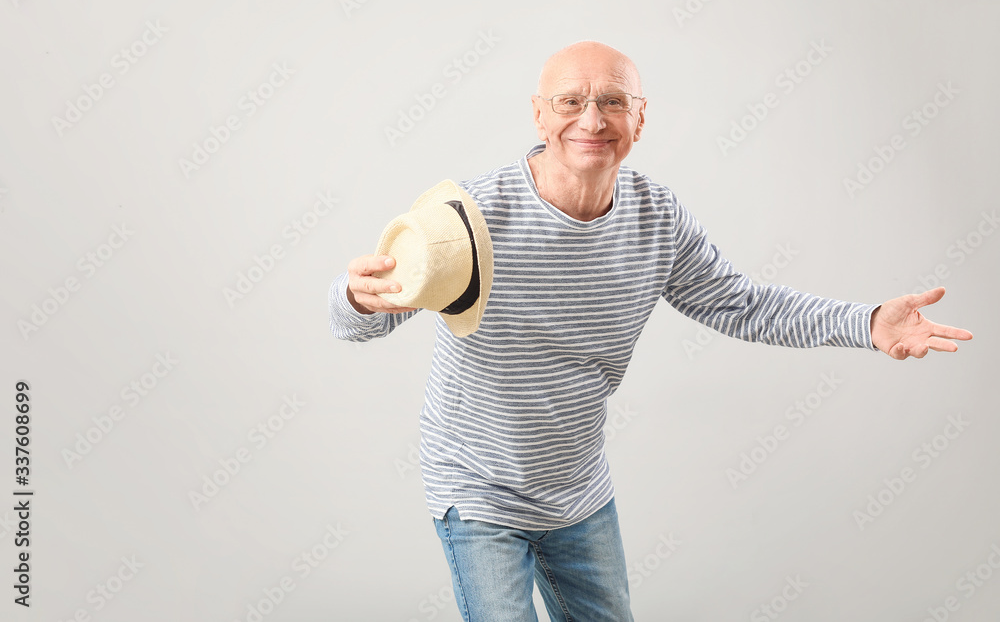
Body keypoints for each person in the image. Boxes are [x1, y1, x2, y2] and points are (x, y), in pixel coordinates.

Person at [328, 41, 973, 621]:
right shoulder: (472, 216)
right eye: (570, 101)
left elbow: (743, 304)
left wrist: (865, 323)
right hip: (478, 487)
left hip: (578, 488)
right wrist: (356, 298)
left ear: (640, 117)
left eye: (613, 101)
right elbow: (361, 319)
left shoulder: (656, 219)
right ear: (538, 114)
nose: (591, 119)